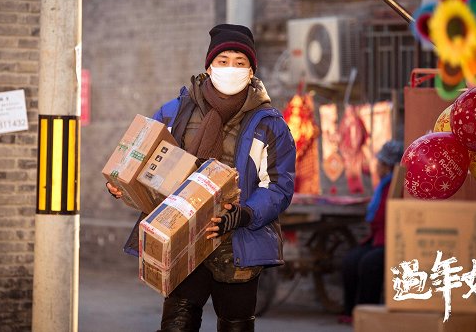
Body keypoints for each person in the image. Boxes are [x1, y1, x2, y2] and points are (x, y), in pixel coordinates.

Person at [107, 24, 296, 332]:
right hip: (182, 233)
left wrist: (243, 214)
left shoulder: (270, 126)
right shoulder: (176, 112)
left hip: (238, 241)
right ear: (209, 66)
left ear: (251, 72)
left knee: (235, 323)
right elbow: (143, 161)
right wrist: (122, 185)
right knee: (177, 323)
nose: (231, 69)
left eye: (240, 62)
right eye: (223, 61)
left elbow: (279, 186)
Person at [339, 139, 404, 324]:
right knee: (350, 261)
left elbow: (384, 217)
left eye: (381, 163)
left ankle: (368, 316)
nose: (378, 166)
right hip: (377, 238)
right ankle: (351, 312)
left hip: (390, 241)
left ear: (390, 166)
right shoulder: (384, 185)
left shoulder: (397, 187)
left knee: (369, 264)